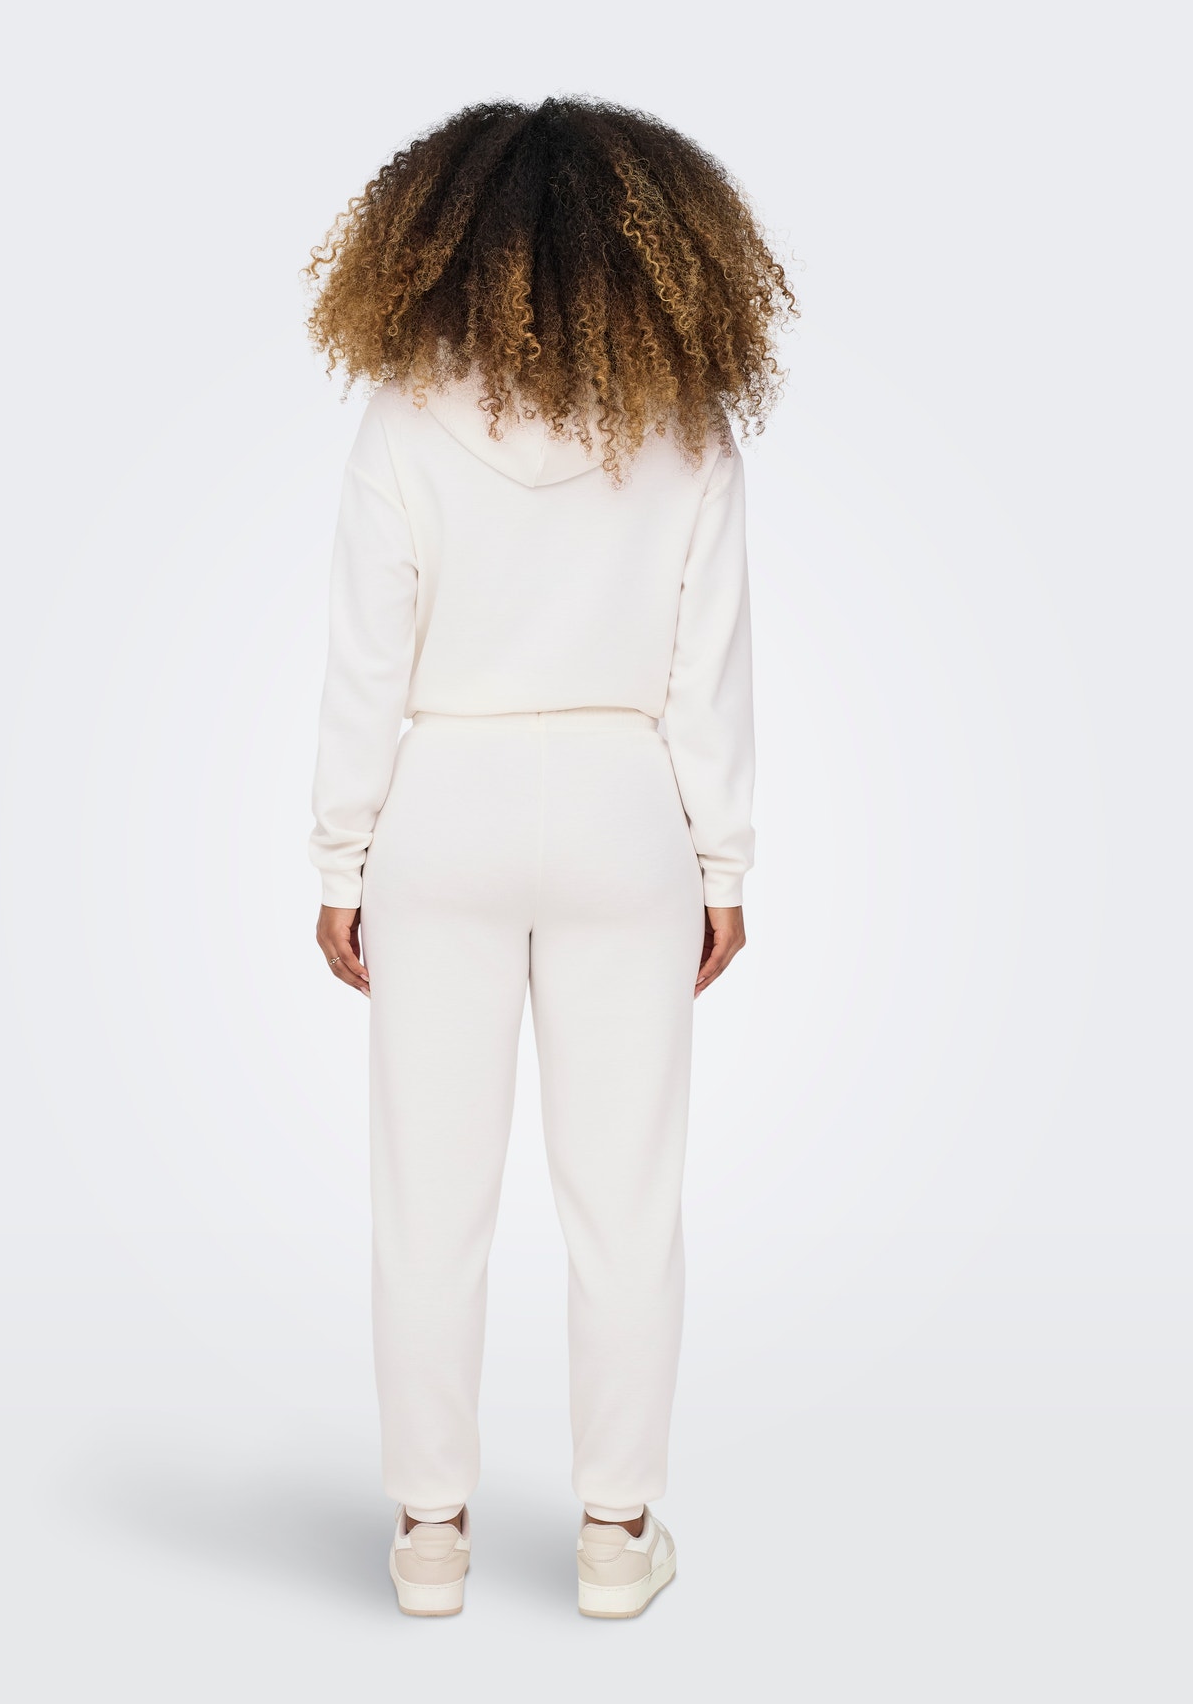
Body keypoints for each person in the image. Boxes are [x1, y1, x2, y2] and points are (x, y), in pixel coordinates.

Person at [304, 96, 795, 1619]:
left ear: (442, 242)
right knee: (625, 1197)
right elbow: (708, 669)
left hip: (440, 811)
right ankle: (615, 1534)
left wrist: (342, 859)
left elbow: (365, 661)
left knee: (427, 1197)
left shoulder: (403, 418)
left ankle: (430, 1536)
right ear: (659, 247)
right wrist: (723, 866)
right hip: (624, 816)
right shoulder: (687, 427)